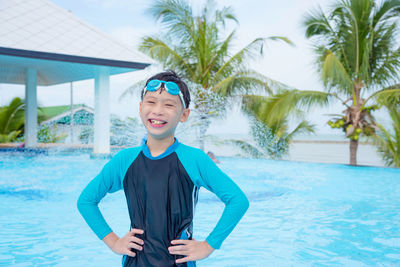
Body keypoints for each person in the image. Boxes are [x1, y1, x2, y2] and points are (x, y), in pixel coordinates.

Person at [77, 70, 249, 267]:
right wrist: (114, 241)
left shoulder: (194, 159)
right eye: (151, 102)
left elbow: (238, 200)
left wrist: (208, 245)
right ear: (141, 108)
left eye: (169, 105)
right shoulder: (124, 160)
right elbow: (86, 201)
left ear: (184, 115)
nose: (158, 111)